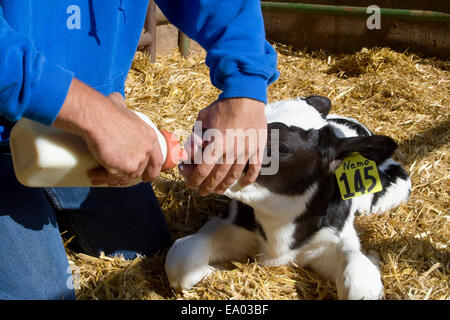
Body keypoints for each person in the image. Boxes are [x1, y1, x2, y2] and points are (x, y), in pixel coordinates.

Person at [0, 0, 279, 300]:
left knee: (148, 252)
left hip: (85, 130)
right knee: (42, 294)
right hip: (12, 122)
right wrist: (90, 112)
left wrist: (245, 87)